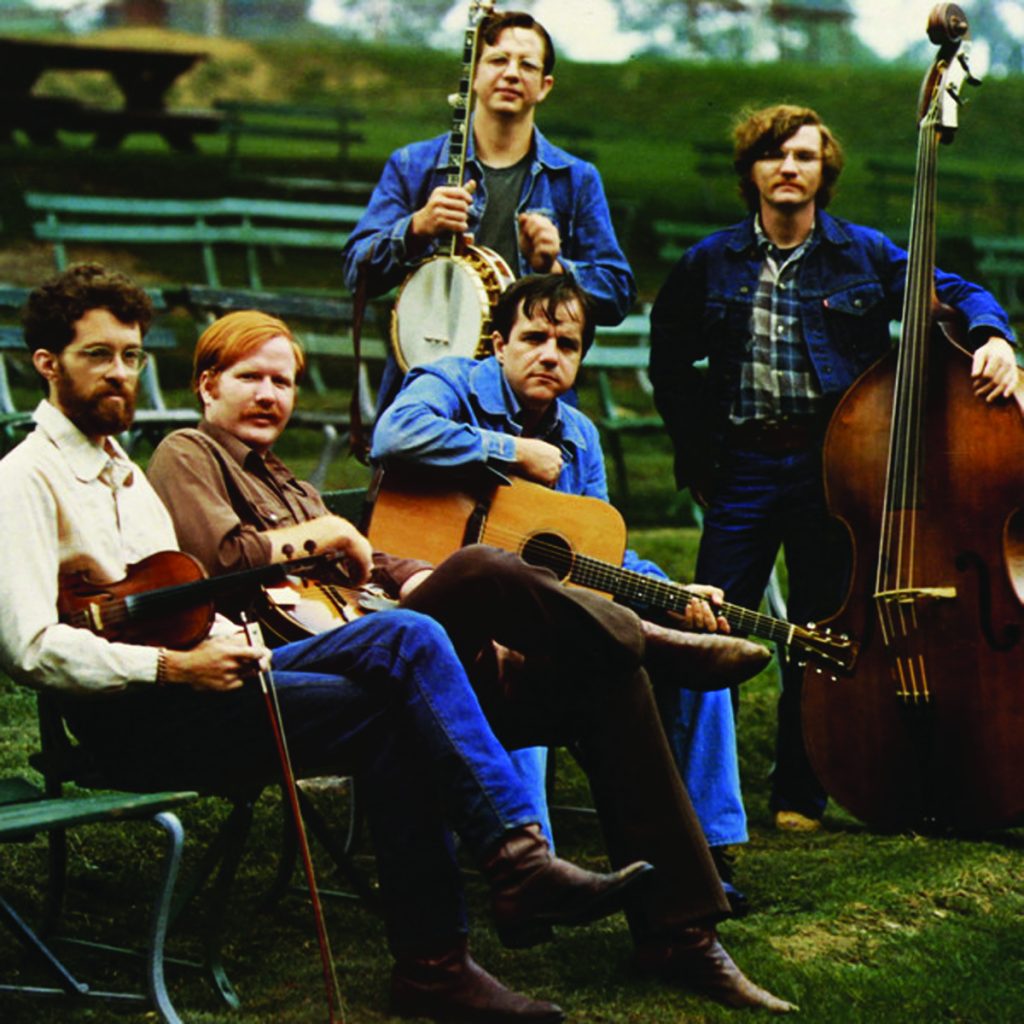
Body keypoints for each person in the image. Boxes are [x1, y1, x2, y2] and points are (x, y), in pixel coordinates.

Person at [0, 262, 671, 1024]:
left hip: (212, 675)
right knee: (400, 674)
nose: (120, 373)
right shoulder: (24, 480)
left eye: (131, 355)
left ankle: (462, 933)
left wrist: (220, 643)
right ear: (47, 363)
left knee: (401, 672)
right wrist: (174, 664)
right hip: (141, 715)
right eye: (98, 355)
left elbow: (184, 602)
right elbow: (28, 648)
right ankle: (487, 898)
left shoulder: (121, 470)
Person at [146, 306, 793, 1014]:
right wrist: (334, 534)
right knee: (484, 564)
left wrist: (406, 573)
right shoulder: (187, 453)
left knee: (609, 682)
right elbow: (220, 560)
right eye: (251, 378)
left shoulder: (286, 480)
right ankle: (647, 638)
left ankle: (681, 933)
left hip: (392, 643)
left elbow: (363, 557)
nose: (271, 395)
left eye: (284, 381)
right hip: (317, 666)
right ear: (209, 385)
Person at [648, 104, 1018, 832]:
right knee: (705, 622)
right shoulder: (710, 262)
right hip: (745, 464)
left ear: (825, 173)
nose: (789, 167)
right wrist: (697, 455)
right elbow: (668, 361)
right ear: (750, 171)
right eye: (773, 155)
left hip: (831, 468)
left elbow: (960, 293)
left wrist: (994, 335)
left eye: (805, 157)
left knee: (821, 631)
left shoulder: (863, 253)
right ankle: (681, 793)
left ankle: (799, 794)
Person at [371, 273, 762, 913]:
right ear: (498, 344)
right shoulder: (448, 383)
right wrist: (512, 451)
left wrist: (664, 591)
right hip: (430, 596)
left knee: (689, 640)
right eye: (534, 338)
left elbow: (587, 551)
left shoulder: (580, 435)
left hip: (547, 604)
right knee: (520, 650)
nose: (550, 354)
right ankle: (536, 865)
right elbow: (393, 435)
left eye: (568, 344)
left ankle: (703, 850)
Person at [340, 9, 635, 413]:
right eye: (498, 60)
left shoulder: (575, 179)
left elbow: (618, 293)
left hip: (529, 403)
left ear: (544, 86)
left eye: (526, 65)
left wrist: (556, 269)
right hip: (428, 391)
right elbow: (357, 272)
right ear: (473, 74)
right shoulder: (414, 165)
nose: (511, 73)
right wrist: (417, 227)